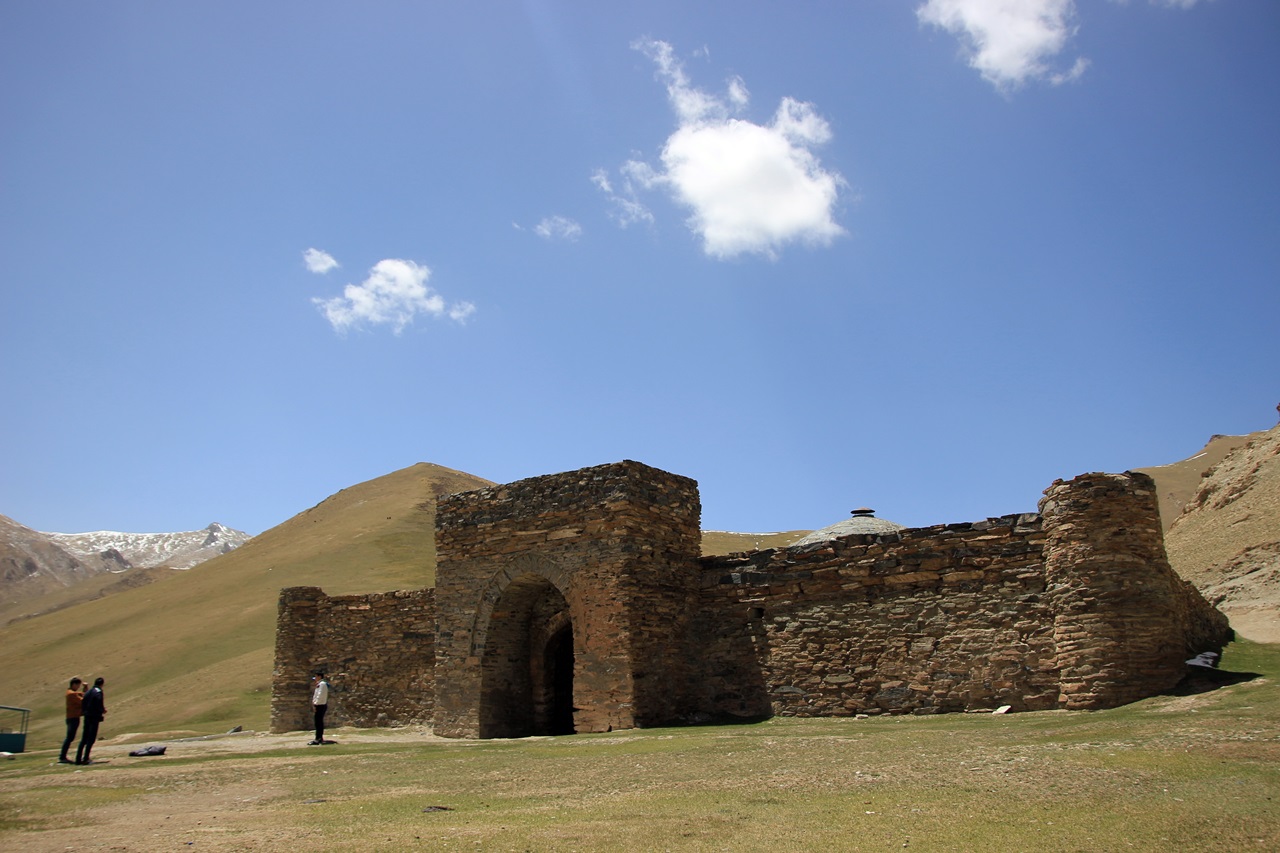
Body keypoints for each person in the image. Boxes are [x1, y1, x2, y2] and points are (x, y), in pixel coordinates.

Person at [75, 677, 106, 765]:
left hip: (87, 716)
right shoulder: (98, 692)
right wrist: (102, 710)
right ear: (102, 684)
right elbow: (99, 702)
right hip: (94, 716)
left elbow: (83, 702)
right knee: (91, 738)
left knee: (84, 738)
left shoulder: (88, 692)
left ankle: (78, 758)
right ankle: (86, 758)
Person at [59, 678, 84, 764]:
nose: (78, 687)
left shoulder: (71, 693)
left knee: (70, 737)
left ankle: (63, 756)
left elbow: (81, 694)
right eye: (78, 685)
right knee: (69, 737)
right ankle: (62, 756)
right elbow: (82, 701)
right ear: (74, 684)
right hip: (73, 717)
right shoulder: (71, 694)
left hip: (73, 717)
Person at [309, 672, 330, 745]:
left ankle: (319, 738)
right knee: (317, 722)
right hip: (319, 705)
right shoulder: (320, 684)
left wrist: (316, 704)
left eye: (316, 677)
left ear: (319, 676)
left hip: (320, 705)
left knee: (319, 722)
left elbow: (320, 695)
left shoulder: (322, 684)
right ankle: (318, 737)